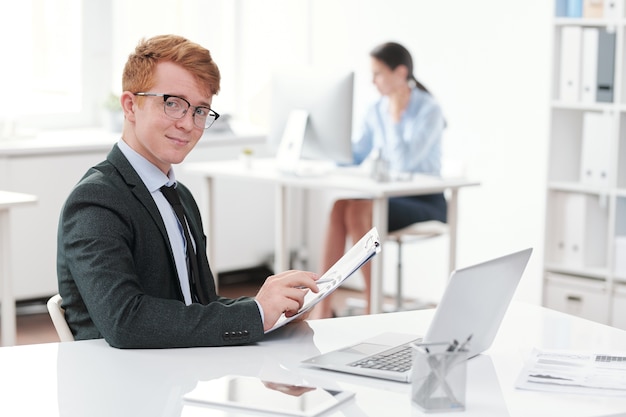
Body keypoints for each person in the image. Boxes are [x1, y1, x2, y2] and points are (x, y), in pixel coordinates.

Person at [56, 34, 320, 348]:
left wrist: (272, 310)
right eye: (173, 104)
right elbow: (125, 321)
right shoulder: (97, 201)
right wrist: (256, 313)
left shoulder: (179, 196)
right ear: (130, 106)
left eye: (199, 110)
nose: (188, 124)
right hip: (123, 383)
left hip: (175, 376)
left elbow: (197, 303)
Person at [311, 41, 447, 319]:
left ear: (400, 72)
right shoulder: (376, 109)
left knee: (359, 209)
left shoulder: (429, 109)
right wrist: (321, 146)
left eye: (378, 73)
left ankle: (374, 308)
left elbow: (405, 163)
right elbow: (358, 153)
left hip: (425, 199)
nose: (373, 81)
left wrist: (396, 117)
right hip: (389, 197)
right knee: (340, 206)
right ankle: (323, 306)